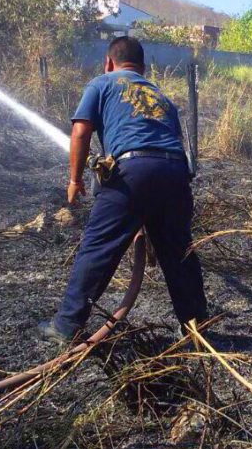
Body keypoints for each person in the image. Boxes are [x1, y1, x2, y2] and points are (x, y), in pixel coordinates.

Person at [38, 36, 207, 342]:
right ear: (142, 68)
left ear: (109, 62)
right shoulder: (160, 95)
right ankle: (198, 330)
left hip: (133, 172)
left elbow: (80, 130)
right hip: (174, 170)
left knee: (98, 247)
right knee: (179, 252)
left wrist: (74, 180)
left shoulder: (102, 83)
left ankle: (65, 326)